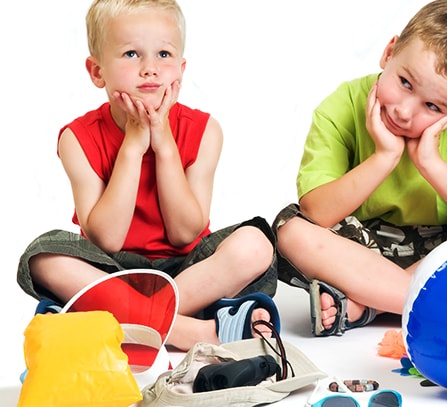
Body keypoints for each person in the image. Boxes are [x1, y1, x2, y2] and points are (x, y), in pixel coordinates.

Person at [16, 0, 279, 352]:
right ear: (97, 72)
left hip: (190, 270)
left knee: (256, 245)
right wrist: (133, 147)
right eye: (130, 54)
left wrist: (165, 146)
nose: (150, 69)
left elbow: (185, 231)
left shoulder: (205, 131)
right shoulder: (76, 138)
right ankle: (191, 331)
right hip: (112, 270)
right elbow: (107, 238)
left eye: (164, 55)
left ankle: (121, 321)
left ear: (181, 70)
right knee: (45, 257)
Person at [272, 0, 447, 337]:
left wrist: (430, 163)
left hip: (438, 247)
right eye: (405, 83)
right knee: (291, 231)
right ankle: (440, 308)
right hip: (360, 247)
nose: (404, 112)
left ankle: (370, 304)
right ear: (389, 53)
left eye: (432, 106)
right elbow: (317, 212)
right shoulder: (341, 105)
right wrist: (383, 157)